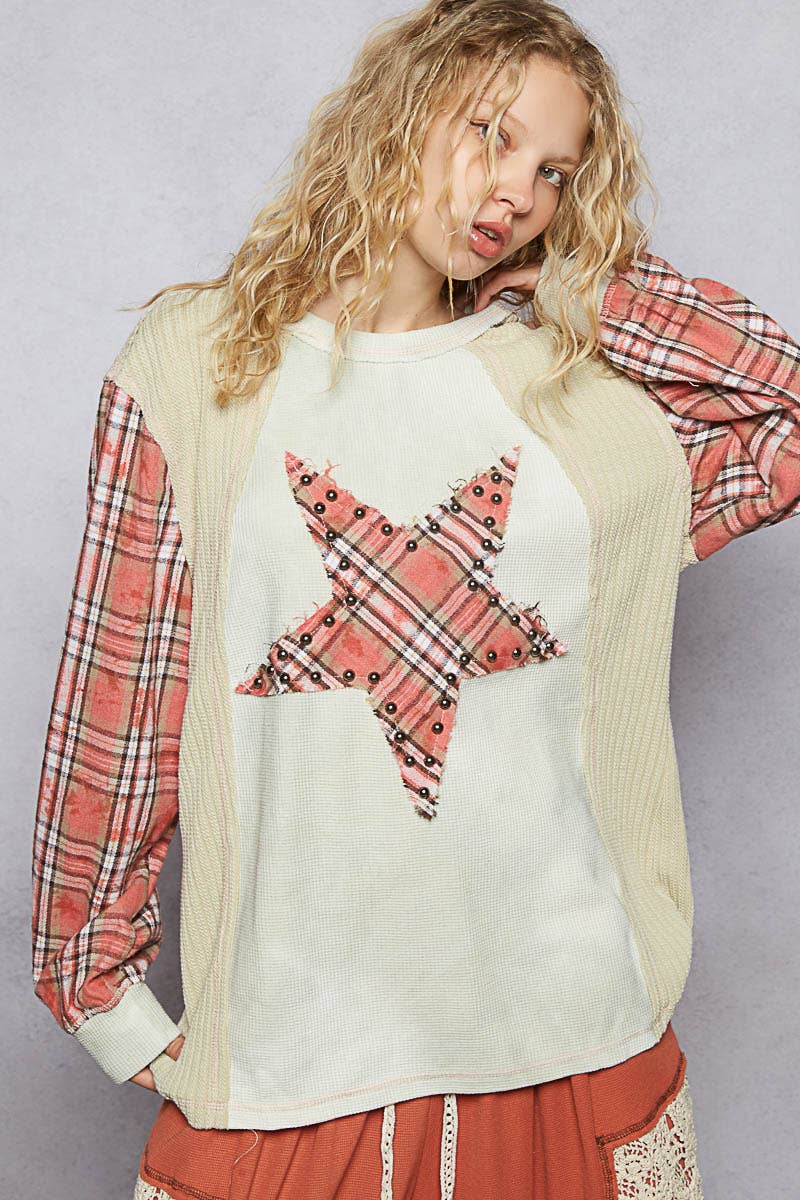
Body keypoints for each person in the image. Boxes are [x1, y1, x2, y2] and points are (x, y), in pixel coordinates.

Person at [30, 1, 799, 1197]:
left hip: (570, 1031)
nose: (517, 192)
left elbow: (779, 419)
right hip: (297, 1049)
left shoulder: (574, 395)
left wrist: (574, 281)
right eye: (491, 134)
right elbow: (119, 704)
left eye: (555, 172)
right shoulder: (195, 369)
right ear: (395, 116)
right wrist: (102, 996)